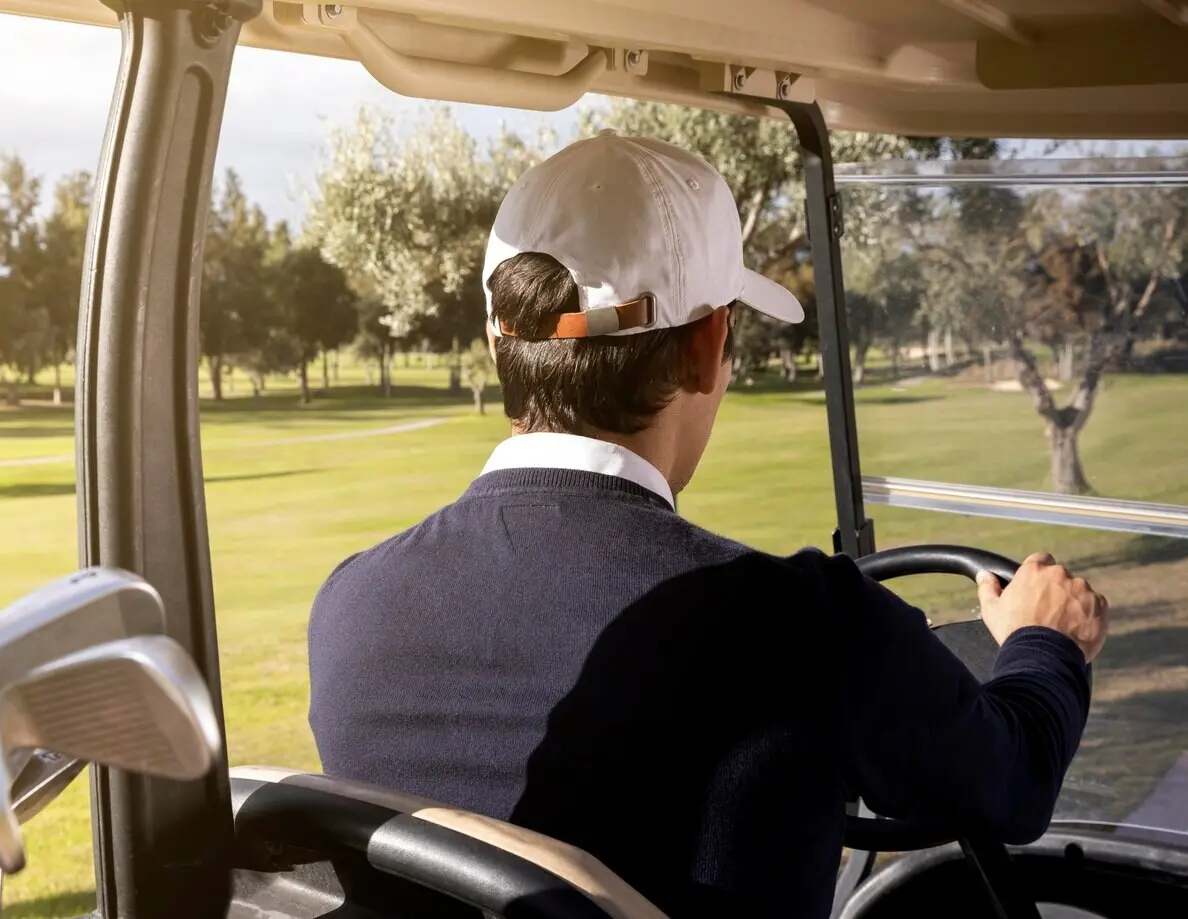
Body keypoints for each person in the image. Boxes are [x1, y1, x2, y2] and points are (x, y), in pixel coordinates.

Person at [307, 131, 1108, 918]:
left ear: (497, 343)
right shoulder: (805, 624)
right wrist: (1046, 641)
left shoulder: (348, 606)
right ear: (707, 345)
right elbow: (1013, 782)